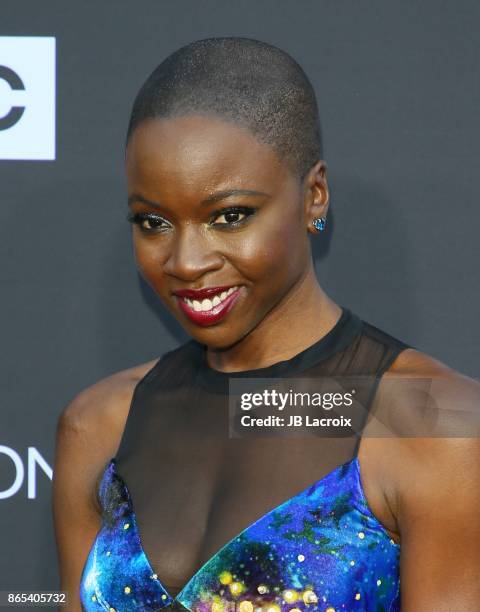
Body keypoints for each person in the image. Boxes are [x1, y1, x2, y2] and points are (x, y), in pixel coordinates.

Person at [52, 37, 480, 611]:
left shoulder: (438, 429)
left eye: (229, 217)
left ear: (314, 197)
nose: (185, 260)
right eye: (153, 221)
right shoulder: (99, 424)